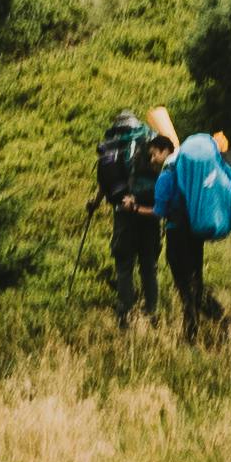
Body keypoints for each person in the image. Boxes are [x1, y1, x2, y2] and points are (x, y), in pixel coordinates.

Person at [83, 109, 173, 328]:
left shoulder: (111, 144)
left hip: (123, 213)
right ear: (136, 123)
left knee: (124, 265)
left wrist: (95, 203)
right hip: (149, 212)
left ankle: (124, 315)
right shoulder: (149, 139)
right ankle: (151, 313)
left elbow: (105, 182)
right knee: (148, 265)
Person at [157, 123, 231, 343]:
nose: (152, 159)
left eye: (153, 155)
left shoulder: (169, 172)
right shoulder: (195, 172)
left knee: (185, 286)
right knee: (196, 282)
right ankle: (227, 322)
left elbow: (161, 208)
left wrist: (137, 207)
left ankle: (192, 335)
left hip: (177, 234)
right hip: (195, 232)